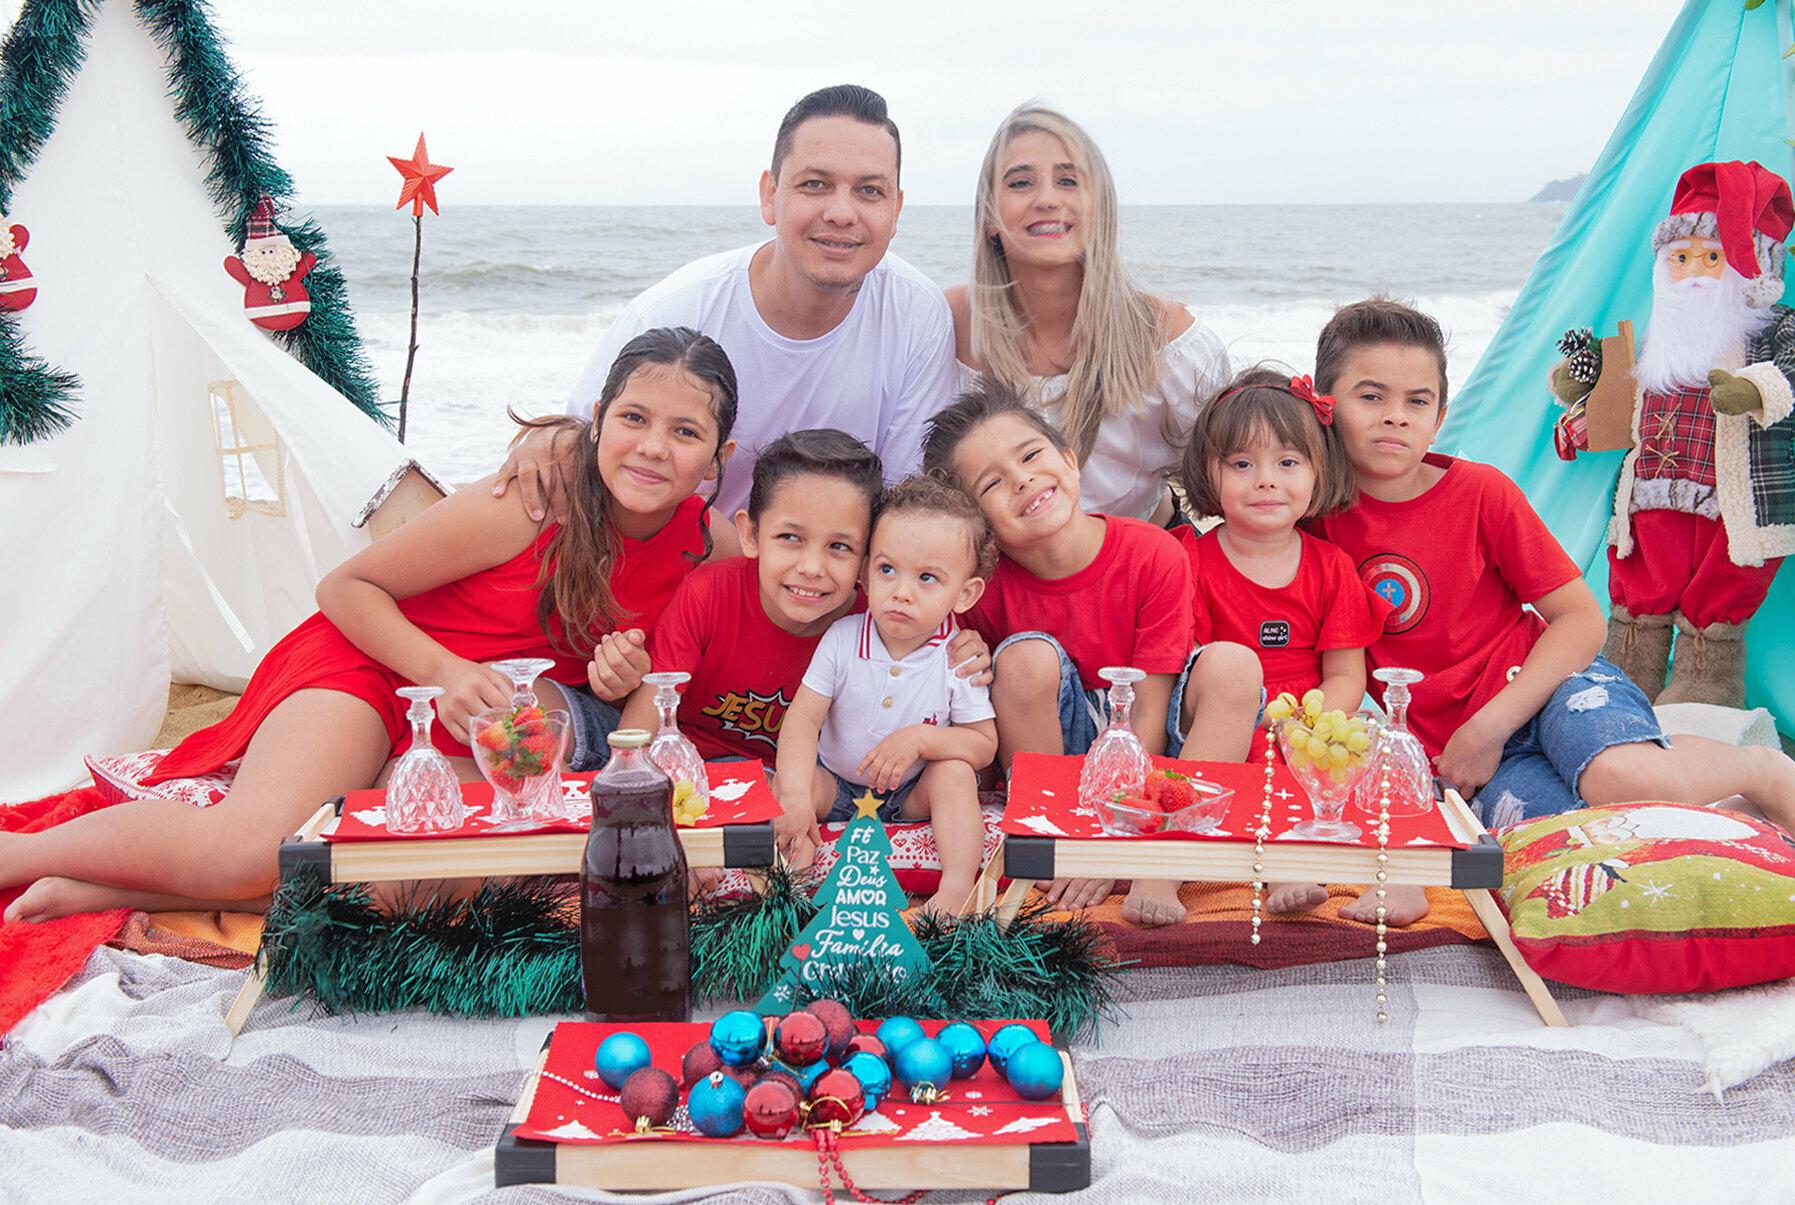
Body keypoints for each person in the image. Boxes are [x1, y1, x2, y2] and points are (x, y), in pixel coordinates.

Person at [0, 327, 739, 924]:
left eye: (683, 431)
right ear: (598, 418)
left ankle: (129, 888)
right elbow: (347, 587)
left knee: (425, 880)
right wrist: (440, 670)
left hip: (477, 719)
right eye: (633, 418)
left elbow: (730, 629)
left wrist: (625, 675)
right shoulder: (528, 499)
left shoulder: (709, 545)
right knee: (250, 851)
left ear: (717, 457)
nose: (650, 445)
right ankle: (20, 853)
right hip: (369, 664)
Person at [1309, 298, 1795, 925]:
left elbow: (1581, 620)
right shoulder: (1311, 523)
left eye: (1417, 401)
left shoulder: (1480, 493)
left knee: (1624, 782)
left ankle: (1757, 767)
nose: (1395, 418)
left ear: (1440, 416)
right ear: (1325, 404)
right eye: (1370, 397)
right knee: (1574, 845)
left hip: (1551, 687)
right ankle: (1724, 816)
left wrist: (1486, 728)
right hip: (1461, 754)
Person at [501, 84, 957, 553]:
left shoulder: (917, 317)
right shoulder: (676, 311)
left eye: (869, 191)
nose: (842, 212)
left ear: (896, 210)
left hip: (821, 590)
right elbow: (578, 448)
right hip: (678, 571)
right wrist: (551, 440)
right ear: (770, 196)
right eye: (815, 184)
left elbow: (906, 508)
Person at [922, 381, 1260, 927]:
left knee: (1234, 665)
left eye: (1031, 455)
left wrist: (1122, 830)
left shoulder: (1153, 553)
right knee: (1025, 658)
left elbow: (1151, 709)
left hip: (1153, 753)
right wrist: (968, 653)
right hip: (1054, 764)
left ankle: (1161, 864)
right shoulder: (980, 590)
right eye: (993, 483)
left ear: (1071, 462)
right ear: (979, 525)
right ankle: (1058, 835)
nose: (1023, 479)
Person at [616, 429, 988, 872]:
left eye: (839, 547)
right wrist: (651, 827)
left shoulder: (890, 615)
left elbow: (967, 718)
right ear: (751, 535)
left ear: (866, 559)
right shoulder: (710, 596)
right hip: (718, 766)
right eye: (790, 537)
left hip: (814, 778)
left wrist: (970, 647)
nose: (811, 568)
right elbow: (644, 725)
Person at [1552, 160, 1795, 707]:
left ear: (1752, 266)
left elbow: (1792, 372)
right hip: (1651, 492)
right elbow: (1618, 401)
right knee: (1640, 589)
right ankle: (1624, 678)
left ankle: (1703, 692)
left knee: (1724, 588)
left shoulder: (1776, 327)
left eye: (1713, 258)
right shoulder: (1657, 338)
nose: (1695, 274)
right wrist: (1581, 384)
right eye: (1680, 259)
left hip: (1736, 504)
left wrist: (1758, 390)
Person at [1171, 365, 1392, 916]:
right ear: (1207, 473)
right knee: (1249, 766)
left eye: (1287, 463)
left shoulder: (1331, 566)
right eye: (1242, 464)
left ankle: (1390, 877)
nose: (1266, 479)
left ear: (1319, 471)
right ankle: (1237, 869)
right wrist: (1259, 720)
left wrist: (1307, 725)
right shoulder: (1187, 559)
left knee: (1365, 758)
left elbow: (1346, 674)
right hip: (1225, 720)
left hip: (1308, 719)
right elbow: (1185, 670)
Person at [945, 103, 1230, 526]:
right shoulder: (949, 324)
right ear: (989, 216)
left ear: (1101, 208)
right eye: (1021, 182)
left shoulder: (1166, 336)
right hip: (1002, 578)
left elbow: (1239, 470)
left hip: (1147, 564)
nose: (1047, 199)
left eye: (1068, 181)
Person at [775, 475, 999, 919]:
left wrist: (920, 740)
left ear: (965, 593)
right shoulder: (842, 639)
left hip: (912, 791)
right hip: (836, 783)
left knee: (953, 774)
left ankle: (956, 890)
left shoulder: (956, 655)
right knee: (790, 790)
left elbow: (982, 743)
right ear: (865, 572)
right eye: (887, 569)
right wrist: (798, 794)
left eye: (928, 578)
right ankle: (791, 894)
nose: (901, 591)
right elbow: (803, 720)